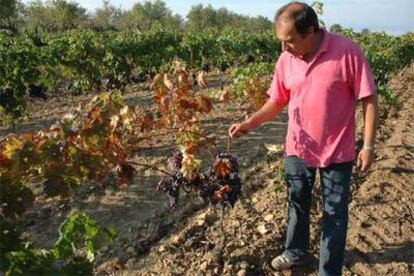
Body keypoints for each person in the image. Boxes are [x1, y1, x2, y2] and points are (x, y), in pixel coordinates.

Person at [228, 2, 378, 276]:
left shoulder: (347, 52)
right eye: (281, 42)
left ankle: (328, 270)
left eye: (290, 41)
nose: (284, 48)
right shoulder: (286, 59)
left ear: (311, 31)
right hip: (298, 146)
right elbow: (276, 101)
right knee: (296, 202)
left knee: (334, 213)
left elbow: (368, 98)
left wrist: (368, 145)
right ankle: (295, 251)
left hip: (337, 151)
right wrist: (249, 123)